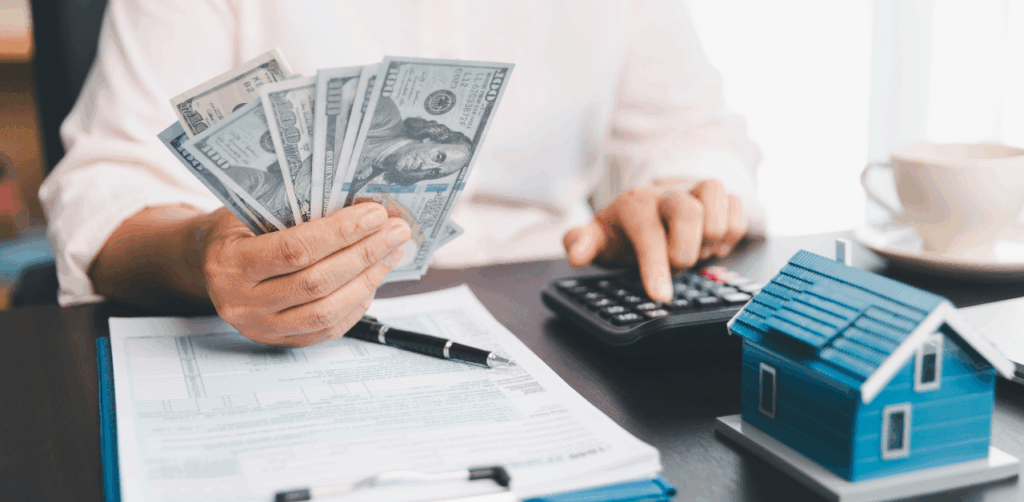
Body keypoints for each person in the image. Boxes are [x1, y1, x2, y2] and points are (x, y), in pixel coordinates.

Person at [40, 0, 763, 348]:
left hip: (552, 326)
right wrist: (204, 253)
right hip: (269, 335)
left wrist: (678, 195)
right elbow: (104, 192)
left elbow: (695, 135)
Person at [345, 96, 473, 205]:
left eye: (433, 173)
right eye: (438, 157)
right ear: (430, 139)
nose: (424, 168)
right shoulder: (386, 116)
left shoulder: (356, 188)